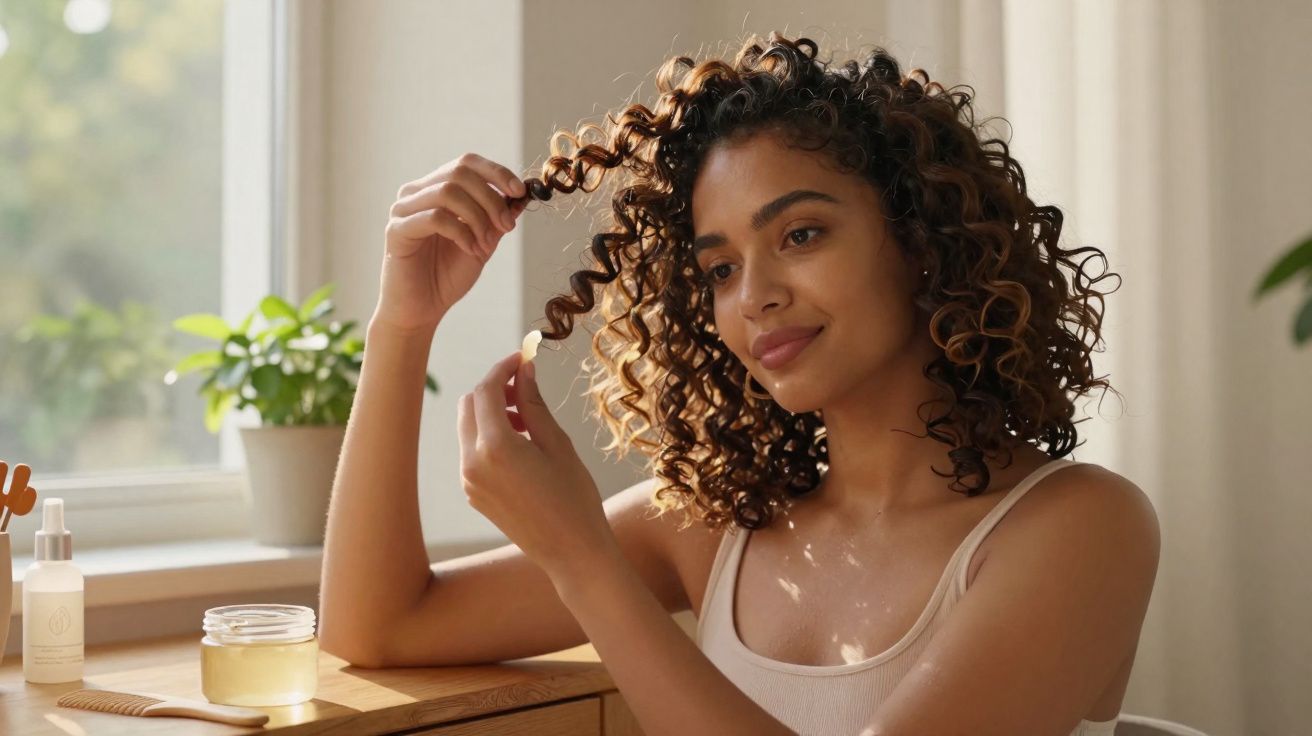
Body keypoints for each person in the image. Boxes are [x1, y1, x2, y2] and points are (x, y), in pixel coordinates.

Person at [319, 31, 1160, 736]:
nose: (753, 296)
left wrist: (583, 561)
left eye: (800, 234)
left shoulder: (1079, 526)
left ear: (922, 240)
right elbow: (377, 625)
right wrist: (404, 323)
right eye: (719, 268)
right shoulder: (714, 527)